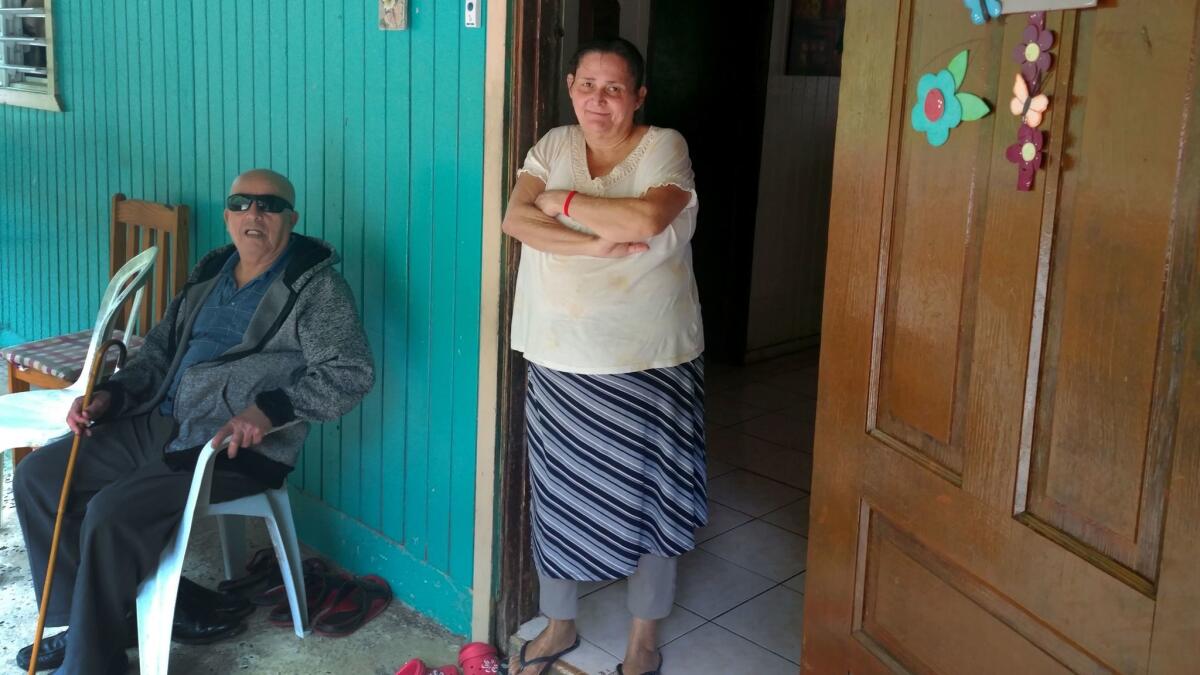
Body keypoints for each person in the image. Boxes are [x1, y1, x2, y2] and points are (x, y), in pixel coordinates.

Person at [13, 169, 375, 674]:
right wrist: (110, 397)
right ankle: (86, 625)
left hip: (229, 446)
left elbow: (350, 373)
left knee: (111, 512)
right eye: (242, 203)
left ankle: (92, 662)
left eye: (270, 206)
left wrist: (269, 410)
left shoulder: (316, 288)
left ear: (290, 220)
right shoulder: (211, 272)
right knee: (40, 476)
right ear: (228, 216)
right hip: (158, 418)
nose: (255, 214)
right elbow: (159, 352)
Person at [501, 38, 706, 675]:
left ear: (637, 96)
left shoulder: (664, 146)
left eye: (614, 88)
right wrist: (592, 245)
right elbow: (513, 220)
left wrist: (558, 205)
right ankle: (561, 624)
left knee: (653, 498)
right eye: (588, 85)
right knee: (559, 499)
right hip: (560, 358)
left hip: (649, 361)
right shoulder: (553, 146)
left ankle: (642, 639)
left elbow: (647, 219)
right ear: (570, 87)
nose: (599, 100)